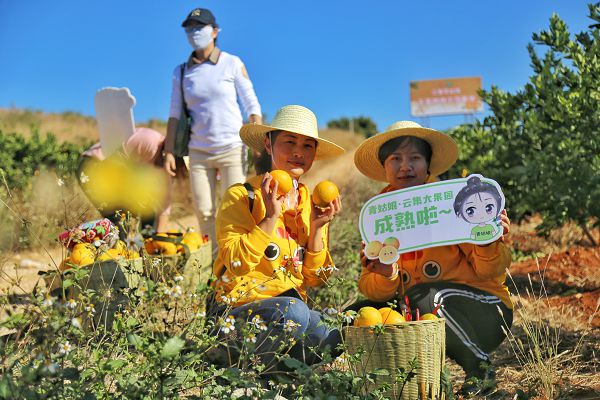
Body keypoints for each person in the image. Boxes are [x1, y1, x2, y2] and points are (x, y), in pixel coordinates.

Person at [350, 121, 512, 395]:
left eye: (415, 158)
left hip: (485, 310)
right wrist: (388, 274)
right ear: (384, 167)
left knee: (423, 296)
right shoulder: (379, 217)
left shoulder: (452, 204)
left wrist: (487, 242)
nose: (405, 166)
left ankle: (480, 371)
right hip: (421, 313)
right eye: (396, 159)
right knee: (357, 313)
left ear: (427, 165)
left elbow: (490, 270)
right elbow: (368, 286)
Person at [209, 105, 345, 371]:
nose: (298, 152)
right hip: (234, 317)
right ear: (268, 146)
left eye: (308, 146)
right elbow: (235, 263)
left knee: (333, 333)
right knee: (294, 311)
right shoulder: (242, 196)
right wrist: (270, 218)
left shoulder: (311, 203)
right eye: (289, 142)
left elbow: (315, 279)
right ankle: (238, 370)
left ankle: (276, 374)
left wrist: (317, 228)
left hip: (289, 314)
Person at [164, 7, 263, 255]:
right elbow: (175, 113)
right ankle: (213, 266)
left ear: (215, 31)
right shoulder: (181, 72)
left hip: (231, 148)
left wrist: (258, 139)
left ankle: (235, 261)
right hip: (198, 152)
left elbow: (251, 104)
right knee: (204, 211)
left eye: (200, 27)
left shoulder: (232, 63)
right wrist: (168, 151)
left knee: (235, 209)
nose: (195, 32)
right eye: (190, 28)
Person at [78, 127, 173, 233]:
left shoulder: (164, 162)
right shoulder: (150, 141)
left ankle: (147, 241)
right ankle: (80, 237)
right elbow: (116, 158)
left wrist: (159, 235)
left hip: (114, 173)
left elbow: (165, 200)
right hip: (94, 167)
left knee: (146, 209)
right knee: (118, 221)